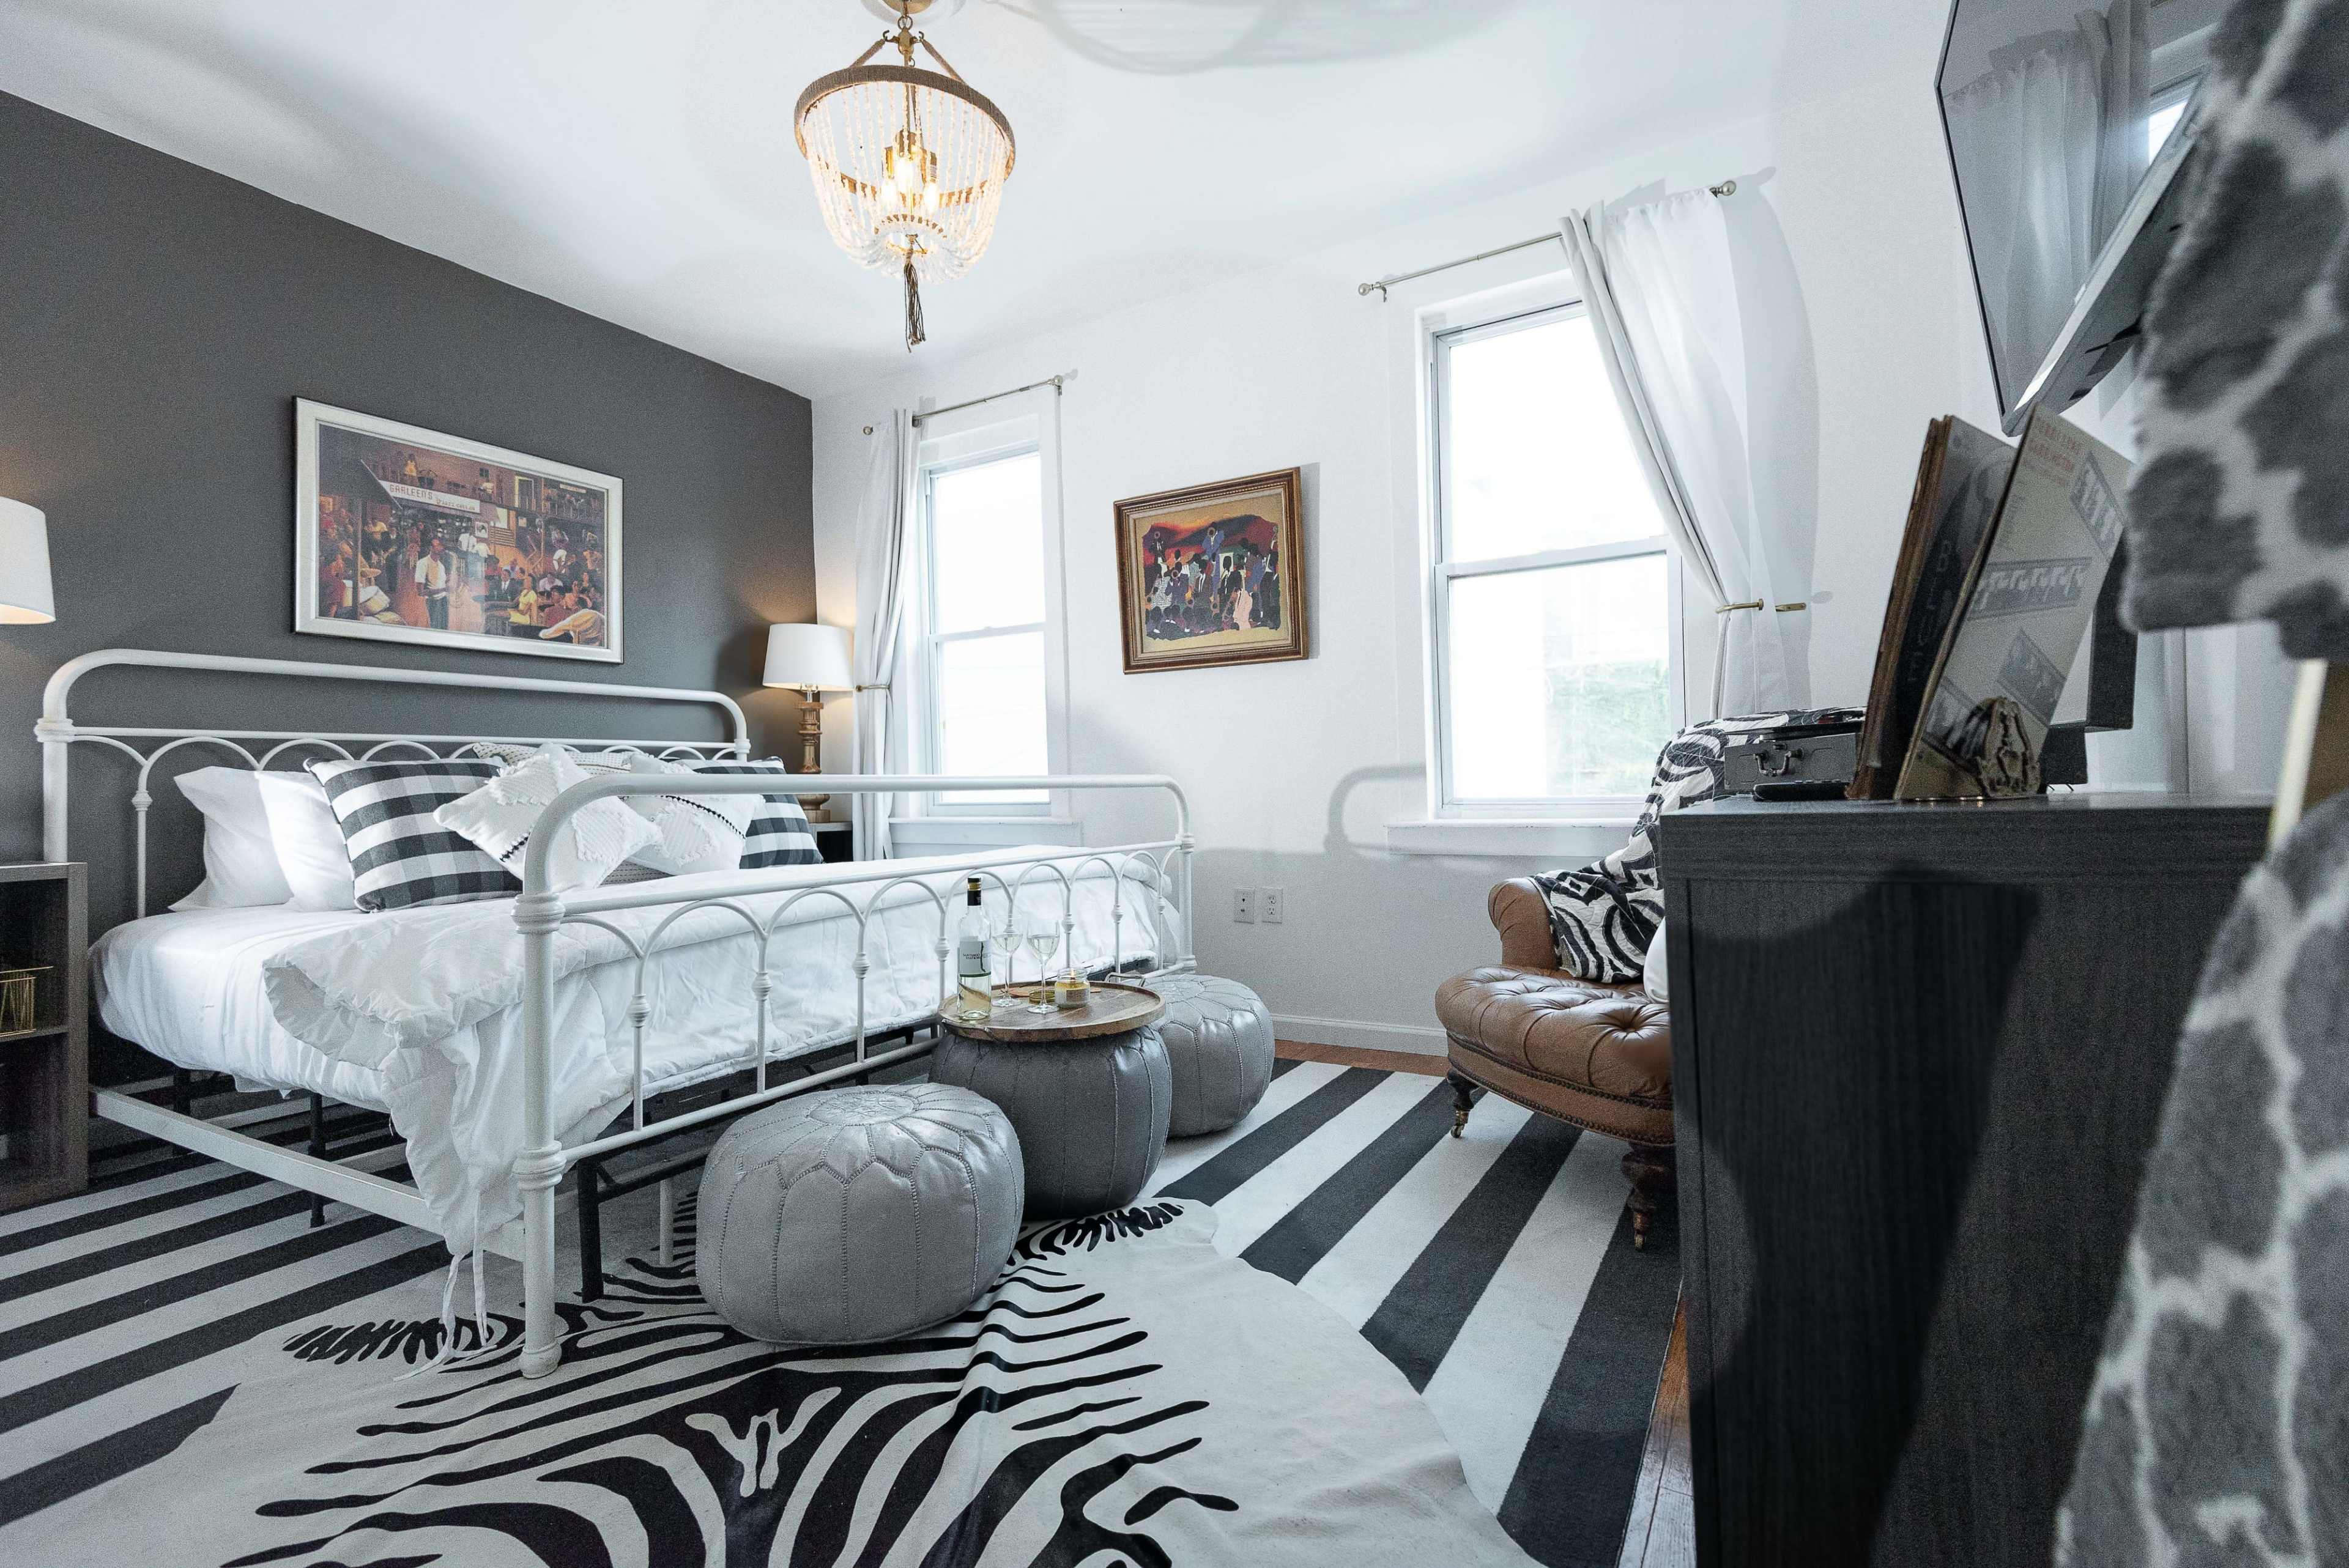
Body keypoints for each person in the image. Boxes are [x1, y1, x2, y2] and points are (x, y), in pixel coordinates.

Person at [415, 536, 452, 629]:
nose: (441, 548)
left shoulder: (441, 566)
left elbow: (442, 583)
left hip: (444, 600)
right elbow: (420, 592)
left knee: (445, 628)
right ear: (431, 548)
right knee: (435, 629)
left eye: (441, 546)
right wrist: (444, 589)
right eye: (437, 545)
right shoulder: (423, 563)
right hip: (433, 602)